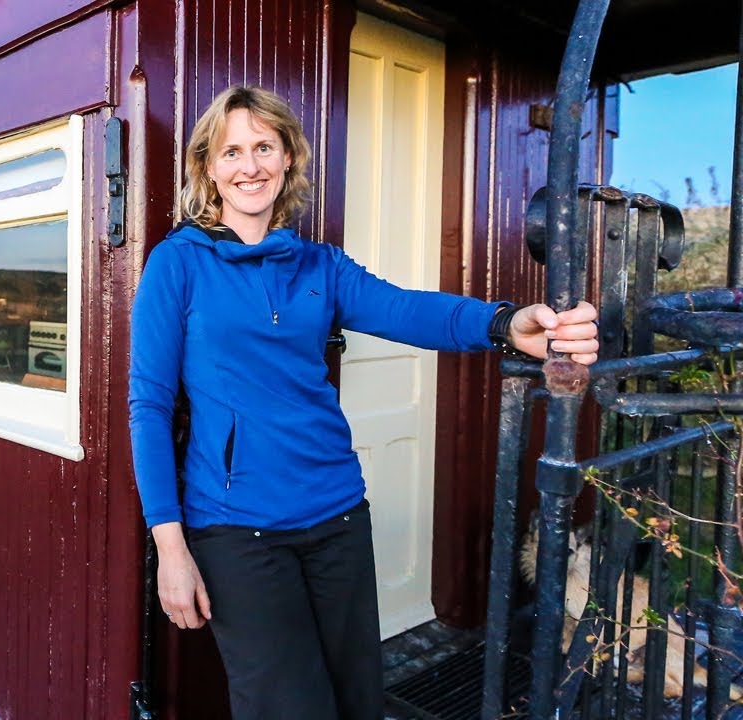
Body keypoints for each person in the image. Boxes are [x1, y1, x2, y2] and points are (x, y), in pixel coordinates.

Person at [128, 85, 599, 719]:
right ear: (208, 167)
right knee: (287, 709)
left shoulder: (318, 264)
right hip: (236, 531)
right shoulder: (177, 265)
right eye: (231, 151)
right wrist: (171, 547)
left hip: (337, 517)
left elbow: (404, 308)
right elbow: (149, 407)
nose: (250, 166)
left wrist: (506, 323)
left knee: (357, 702)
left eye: (264, 147)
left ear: (289, 157)